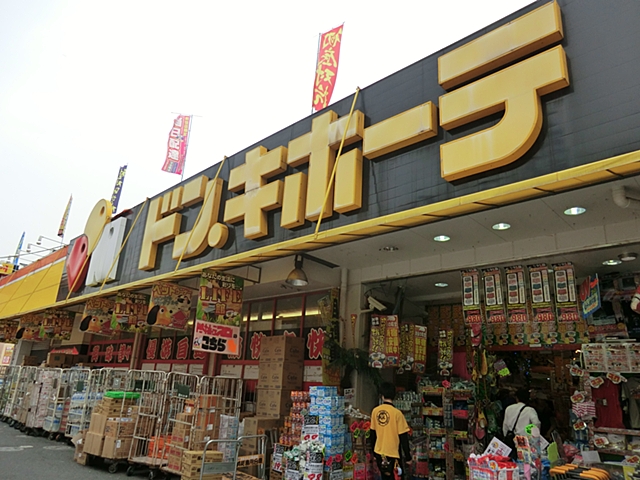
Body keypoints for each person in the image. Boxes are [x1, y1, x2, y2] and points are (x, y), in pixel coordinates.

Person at [369, 382, 412, 480]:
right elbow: (403, 438)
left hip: (379, 453)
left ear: (382, 396)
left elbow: (372, 434)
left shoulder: (375, 411)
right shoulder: (397, 414)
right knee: (396, 477)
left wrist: (374, 453)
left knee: (384, 477)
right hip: (393, 454)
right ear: (394, 396)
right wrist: (408, 457)